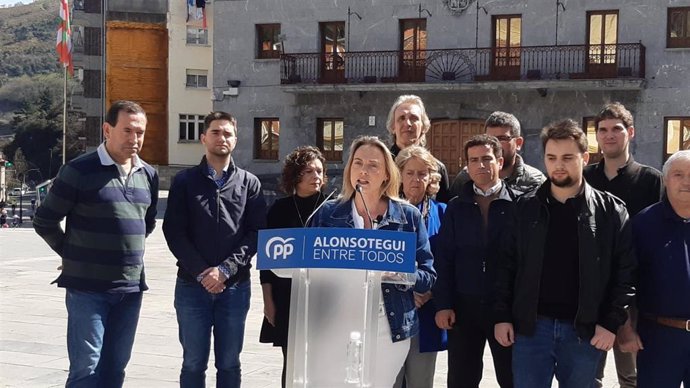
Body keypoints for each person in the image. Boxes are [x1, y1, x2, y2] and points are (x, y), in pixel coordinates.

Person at [493, 119, 636, 388]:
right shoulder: (524, 209)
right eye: (552, 157)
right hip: (531, 329)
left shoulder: (611, 212)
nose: (559, 165)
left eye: (568, 157)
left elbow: (625, 272)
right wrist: (501, 317)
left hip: (584, 331)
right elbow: (506, 266)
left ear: (585, 157)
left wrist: (610, 322)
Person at [33, 100, 159, 388]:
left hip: (130, 290)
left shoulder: (148, 174)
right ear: (107, 129)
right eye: (127, 130)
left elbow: (146, 222)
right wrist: (72, 253)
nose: (134, 139)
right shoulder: (78, 171)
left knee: (116, 369)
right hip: (87, 290)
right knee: (86, 370)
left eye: (140, 132)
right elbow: (45, 220)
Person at [310, 136, 437, 387]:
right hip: (338, 324)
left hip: (389, 326)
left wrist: (400, 272)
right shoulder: (328, 214)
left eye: (373, 165)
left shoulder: (408, 216)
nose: (363, 171)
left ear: (387, 175)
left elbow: (428, 276)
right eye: (357, 163)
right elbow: (311, 271)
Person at [163, 111, 266, 388]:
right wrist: (202, 272)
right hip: (191, 287)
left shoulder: (249, 184)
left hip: (234, 288)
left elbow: (256, 233)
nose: (222, 138)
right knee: (193, 363)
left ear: (236, 139)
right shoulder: (184, 182)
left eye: (227, 133)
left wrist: (224, 270)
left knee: (230, 363)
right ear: (203, 137)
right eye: (216, 132)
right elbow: (173, 232)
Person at [584, 102, 664, 388]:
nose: (609, 135)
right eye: (602, 130)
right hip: (592, 292)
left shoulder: (651, 180)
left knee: (632, 377)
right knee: (588, 375)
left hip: (636, 292)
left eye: (616, 129)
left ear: (630, 132)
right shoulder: (586, 179)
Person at [435, 135, 516, 388]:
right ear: (467, 166)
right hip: (463, 308)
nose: (480, 165)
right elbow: (445, 258)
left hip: (505, 308)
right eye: (474, 160)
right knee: (461, 379)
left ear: (500, 161)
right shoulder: (456, 208)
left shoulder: (518, 205)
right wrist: (443, 304)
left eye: (486, 159)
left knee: (512, 378)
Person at [619, 150, 690, 388]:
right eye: (678, 174)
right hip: (659, 337)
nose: (686, 181)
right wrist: (626, 328)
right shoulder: (643, 224)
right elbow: (624, 279)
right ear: (666, 179)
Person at [259, 146, 329, 388]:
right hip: (287, 296)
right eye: (309, 171)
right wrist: (268, 301)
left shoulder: (333, 209)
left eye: (319, 171)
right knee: (293, 363)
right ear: (295, 175)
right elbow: (266, 264)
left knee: (321, 364)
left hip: (323, 298)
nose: (316, 176)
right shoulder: (279, 210)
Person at [393, 145, 447, 388]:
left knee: (420, 383)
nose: (416, 179)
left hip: (427, 313)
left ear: (431, 177)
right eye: (410, 173)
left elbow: (449, 261)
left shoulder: (444, 213)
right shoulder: (385, 212)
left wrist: (428, 291)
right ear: (399, 175)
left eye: (422, 173)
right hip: (391, 313)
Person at [450, 111, 544, 198]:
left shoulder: (535, 181)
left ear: (518, 143)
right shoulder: (466, 177)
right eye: (489, 139)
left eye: (502, 138)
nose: (495, 145)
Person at [387, 94, 451, 203]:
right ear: (393, 127)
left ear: (424, 127)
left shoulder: (437, 168)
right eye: (401, 118)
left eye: (414, 118)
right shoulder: (383, 164)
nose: (407, 123)